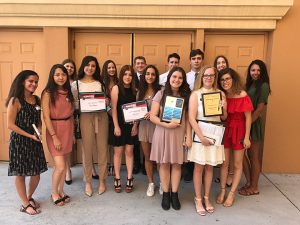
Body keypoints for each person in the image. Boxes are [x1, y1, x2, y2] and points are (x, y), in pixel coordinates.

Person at [6, 70, 47, 215]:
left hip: (34, 140)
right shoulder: (15, 100)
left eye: (36, 81)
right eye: (31, 81)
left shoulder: (36, 99)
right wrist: (30, 135)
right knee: (21, 174)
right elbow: (10, 125)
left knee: (36, 173)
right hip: (19, 142)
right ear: (23, 81)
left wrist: (40, 130)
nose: (34, 84)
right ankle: (24, 204)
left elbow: (39, 120)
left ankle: (29, 197)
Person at [188, 65, 227, 215]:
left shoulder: (220, 93)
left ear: (215, 77)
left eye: (211, 75)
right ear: (201, 77)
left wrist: (223, 108)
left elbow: (224, 117)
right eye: (206, 75)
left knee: (210, 167)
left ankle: (206, 197)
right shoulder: (195, 94)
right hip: (200, 133)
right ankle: (198, 199)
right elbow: (191, 118)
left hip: (215, 133)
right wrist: (201, 137)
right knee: (199, 168)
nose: (209, 78)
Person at [150, 67, 191, 210]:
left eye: (180, 78)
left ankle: (175, 194)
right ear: (169, 78)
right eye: (174, 77)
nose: (177, 80)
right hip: (163, 132)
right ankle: (166, 194)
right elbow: (152, 116)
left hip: (179, 134)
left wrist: (188, 135)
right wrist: (165, 125)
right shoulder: (161, 94)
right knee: (164, 164)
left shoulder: (186, 95)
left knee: (177, 164)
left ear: (183, 80)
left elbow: (189, 118)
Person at [71, 56, 108, 197]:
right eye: (87, 65)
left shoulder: (100, 83)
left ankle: (102, 181)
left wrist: (105, 101)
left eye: (93, 65)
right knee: (87, 150)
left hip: (101, 117)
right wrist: (84, 102)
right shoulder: (76, 84)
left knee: (103, 149)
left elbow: (107, 101)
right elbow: (73, 104)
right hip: (85, 117)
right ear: (83, 67)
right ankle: (87, 182)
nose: (90, 68)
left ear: (96, 68)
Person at [217, 68, 253, 207]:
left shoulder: (242, 94)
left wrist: (247, 137)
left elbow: (248, 118)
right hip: (225, 129)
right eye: (222, 80)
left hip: (239, 130)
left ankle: (231, 194)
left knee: (238, 164)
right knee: (224, 163)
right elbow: (222, 116)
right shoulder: (222, 95)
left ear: (233, 79)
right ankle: (222, 191)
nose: (225, 82)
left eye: (227, 79)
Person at [42, 64, 74, 206]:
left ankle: (61, 191)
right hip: (54, 130)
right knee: (60, 166)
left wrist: (72, 134)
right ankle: (54, 192)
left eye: (63, 74)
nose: (61, 77)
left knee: (65, 164)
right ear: (52, 76)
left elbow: (71, 114)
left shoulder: (68, 92)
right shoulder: (48, 93)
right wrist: (54, 136)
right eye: (57, 75)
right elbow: (46, 117)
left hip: (67, 129)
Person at [239, 59, 271, 196]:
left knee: (253, 156)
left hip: (253, 122)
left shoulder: (263, 86)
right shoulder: (249, 84)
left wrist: (248, 125)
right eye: (253, 70)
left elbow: (259, 109)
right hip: (245, 122)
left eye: (258, 70)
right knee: (242, 155)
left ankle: (254, 187)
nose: (255, 72)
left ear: (262, 71)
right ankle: (249, 182)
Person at [110, 65, 138, 193]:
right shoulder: (116, 88)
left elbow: (137, 111)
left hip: (130, 126)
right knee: (118, 152)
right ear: (121, 76)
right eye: (125, 74)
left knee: (129, 151)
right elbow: (114, 109)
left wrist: (136, 125)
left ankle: (129, 177)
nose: (128, 77)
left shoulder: (135, 90)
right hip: (119, 124)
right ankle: (117, 178)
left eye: (130, 75)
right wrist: (116, 126)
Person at [137, 65, 161, 196]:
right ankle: (151, 183)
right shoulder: (139, 92)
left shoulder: (161, 91)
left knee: (159, 158)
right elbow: (134, 112)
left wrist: (153, 114)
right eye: (147, 74)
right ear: (144, 76)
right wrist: (135, 125)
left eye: (152, 74)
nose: (150, 76)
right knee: (147, 157)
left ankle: (163, 183)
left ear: (156, 76)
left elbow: (163, 111)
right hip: (144, 127)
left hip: (157, 127)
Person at [184, 49, 205, 183]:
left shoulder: (206, 76)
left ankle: (200, 170)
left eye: (199, 58)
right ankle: (188, 169)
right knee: (188, 140)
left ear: (202, 60)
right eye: (194, 58)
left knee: (199, 140)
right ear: (190, 60)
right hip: (187, 111)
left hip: (203, 113)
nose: (196, 60)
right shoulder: (185, 77)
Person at [213, 55, 233, 187]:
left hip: (232, 118)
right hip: (220, 118)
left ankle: (230, 174)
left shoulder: (230, 78)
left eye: (223, 62)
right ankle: (223, 174)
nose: (221, 65)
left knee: (230, 149)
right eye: (218, 63)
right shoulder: (215, 81)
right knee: (222, 149)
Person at [101, 59, 119, 176]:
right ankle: (107, 164)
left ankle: (113, 164)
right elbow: (100, 101)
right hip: (105, 115)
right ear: (105, 70)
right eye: (109, 68)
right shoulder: (102, 83)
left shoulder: (119, 81)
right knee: (106, 142)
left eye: (113, 67)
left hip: (116, 116)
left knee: (114, 142)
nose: (111, 69)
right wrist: (109, 110)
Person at [62, 59, 76, 185]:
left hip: (78, 115)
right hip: (64, 118)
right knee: (66, 145)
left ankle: (92, 168)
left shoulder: (77, 83)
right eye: (67, 66)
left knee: (84, 142)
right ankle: (67, 170)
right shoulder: (59, 83)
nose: (69, 68)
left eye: (72, 67)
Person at [133, 56, 147, 174]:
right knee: (135, 141)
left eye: (142, 63)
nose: (140, 65)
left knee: (146, 141)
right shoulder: (130, 77)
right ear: (134, 65)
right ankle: (137, 164)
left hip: (147, 113)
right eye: (138, 63)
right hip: (134, 112)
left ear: (145, 64)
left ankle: (145, 164)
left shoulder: (149, 77)